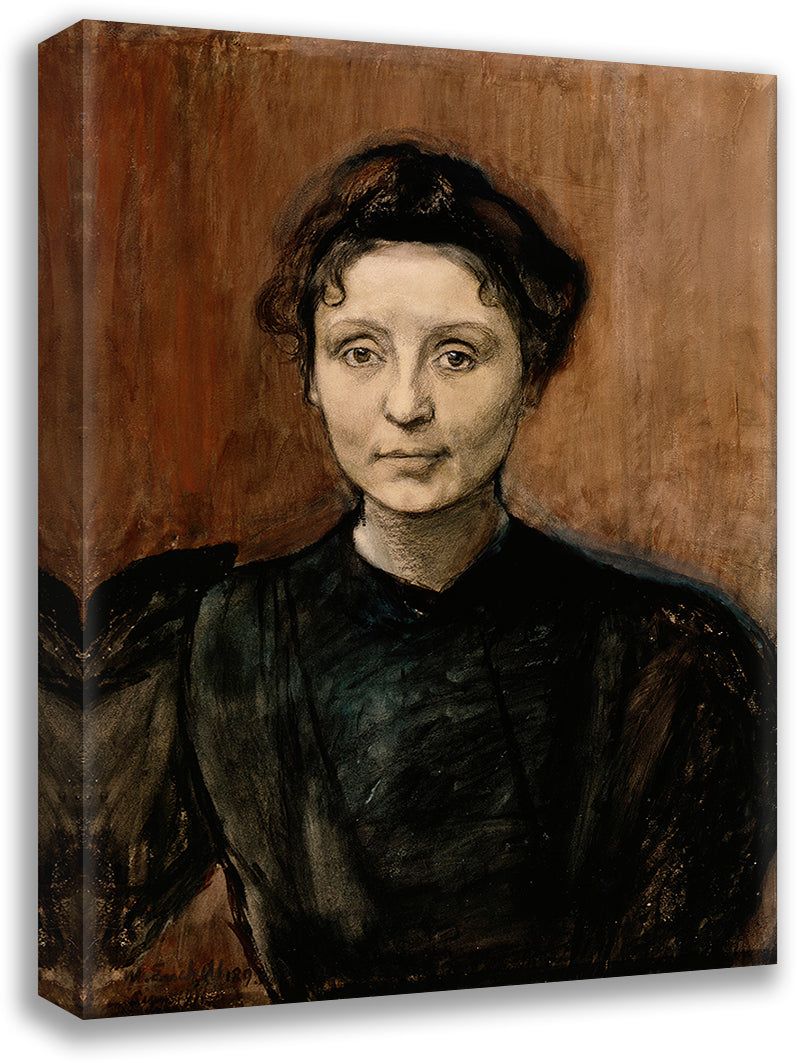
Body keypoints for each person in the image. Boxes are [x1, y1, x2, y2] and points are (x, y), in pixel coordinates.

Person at [40, 139, 773, 1013]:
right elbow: (82, 924)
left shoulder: (677, 661)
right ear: (310, 376)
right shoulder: (222, 637)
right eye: (360, 352)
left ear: (530, 374)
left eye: (456, 354)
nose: (405, 405)